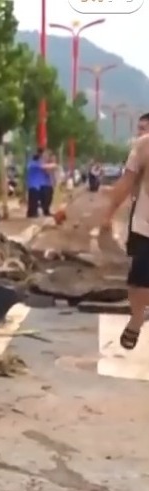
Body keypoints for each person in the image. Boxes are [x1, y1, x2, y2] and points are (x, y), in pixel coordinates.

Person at [101, 112, 149, 350]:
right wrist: (108, 215)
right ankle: (137, 319)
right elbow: (126, 183)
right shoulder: (143, 147)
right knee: (138, 282)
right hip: (145, 225)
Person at [25, 149, 57, 218]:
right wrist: (54, 164)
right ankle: (32, 213)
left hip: (41, 185)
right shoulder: (33, 163)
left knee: (46, 198)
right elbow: (45, 166)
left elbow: (49, 171)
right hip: (33, 185)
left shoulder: (40, 163)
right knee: (33, 201)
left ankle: (44, 211)